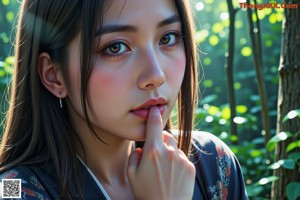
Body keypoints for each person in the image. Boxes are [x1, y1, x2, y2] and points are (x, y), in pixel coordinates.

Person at [0, 0, 248, 199]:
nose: (155, 76)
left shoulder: (213, 164)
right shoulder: (11, 191)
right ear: (55, 75)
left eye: (167, 38)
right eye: (116, 47)